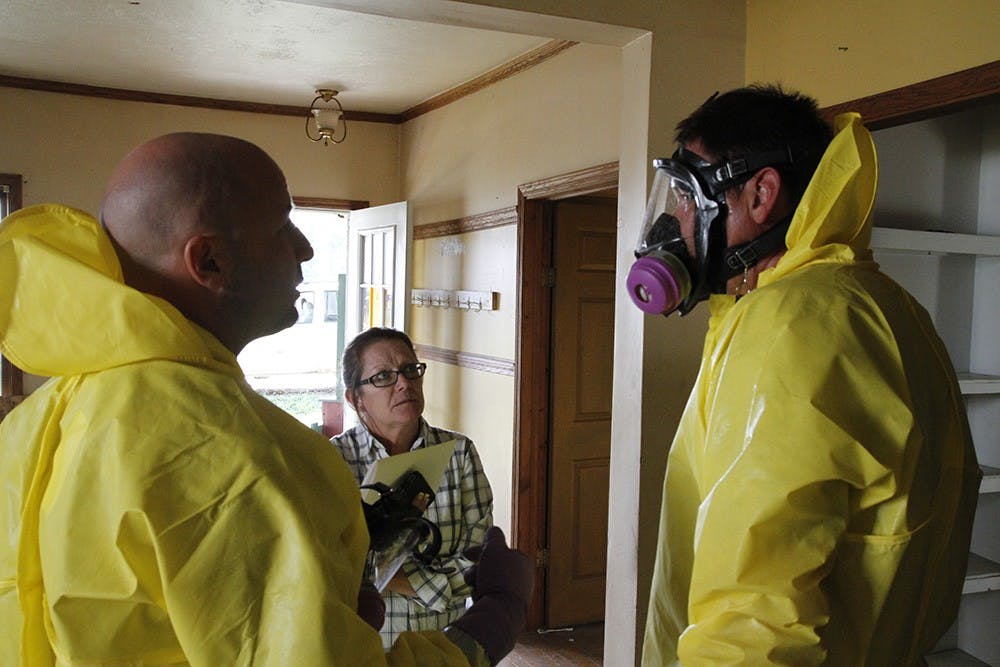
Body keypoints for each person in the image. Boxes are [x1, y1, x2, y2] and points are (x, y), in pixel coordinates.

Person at [0, 132, 532, 666]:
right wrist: (493, 622)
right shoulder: (242, 455)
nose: (305, 247)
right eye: (283, 225)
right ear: (208, 260)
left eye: (410, 371)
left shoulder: (39, 420)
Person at [628, 86, 981, 665]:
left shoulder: (789, 328)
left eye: (689, 198)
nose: (676, 221)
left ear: (762, 193)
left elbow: (755, 624)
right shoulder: (880, 303)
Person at [331, 327, 494, 650]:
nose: (404, 383)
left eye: (410, 370)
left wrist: (388, 576)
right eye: (383, 377)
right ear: (354, 398)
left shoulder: (458, 452)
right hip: (364, 647)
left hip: (442, 643)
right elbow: (330, 566)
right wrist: (433, 584)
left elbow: (479, 559)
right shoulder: (335, 459)